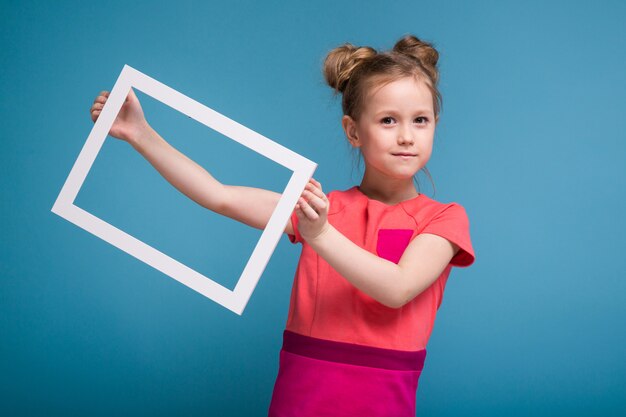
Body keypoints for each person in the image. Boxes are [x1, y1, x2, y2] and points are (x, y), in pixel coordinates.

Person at [90, 34, 475, 417]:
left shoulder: (444, 218)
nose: (407, 136)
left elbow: (398, 288)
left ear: (435, 124)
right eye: (388, 120)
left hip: (382, 401)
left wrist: (321, 235)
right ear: (353, 131)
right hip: (302, 395)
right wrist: (140, 134)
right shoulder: (320, 209)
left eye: (420, 120)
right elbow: (217, 194)